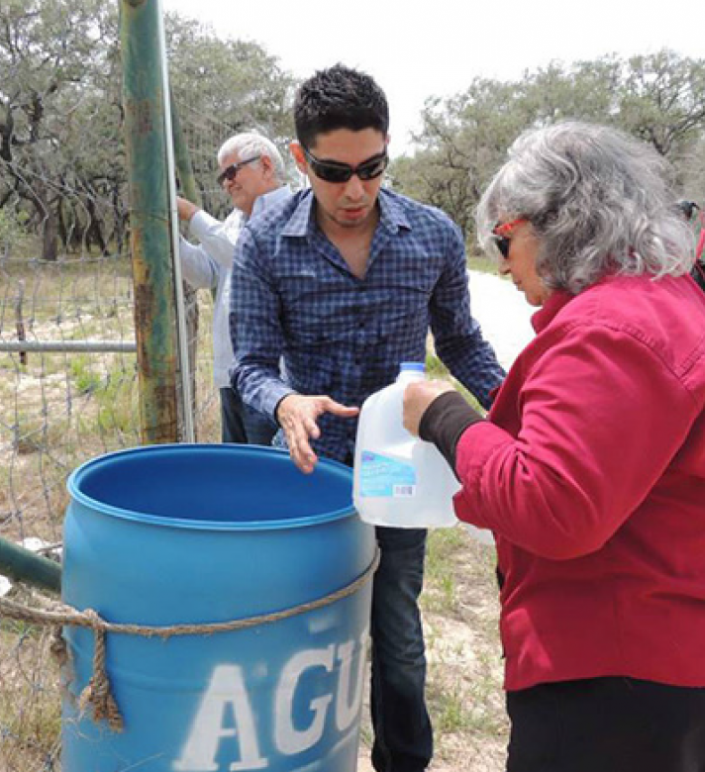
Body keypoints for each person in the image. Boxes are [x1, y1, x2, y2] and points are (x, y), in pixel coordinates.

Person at [401, 121, 705, 772]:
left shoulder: (610, 327)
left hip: (635, 664)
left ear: (555, 222)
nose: (501, 264)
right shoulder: (667, 296)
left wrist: (446, 418)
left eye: (504, 239)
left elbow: (552, 506)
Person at [229, 64, 504, 772]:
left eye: (372, 168)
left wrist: (518, 408)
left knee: (398, 636)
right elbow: (250, 365)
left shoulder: (432, 235)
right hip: (308, 466)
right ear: (300, 158)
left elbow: (462, 342)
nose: (355, 190)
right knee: (297, 630)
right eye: (333, 172)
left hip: (393, 468)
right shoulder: (265, 241)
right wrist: (285, 401)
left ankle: (402, 761)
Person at [176, 132, 291, 444]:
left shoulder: (291, 212)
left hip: (273, 380)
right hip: (232, 373)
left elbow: (245, 255)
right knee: (239, 466)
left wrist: (190, 213)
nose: (226, 183)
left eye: (231, 172)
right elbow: (205, 273)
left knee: (267, 468)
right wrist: (169, 231)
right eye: (222, 176)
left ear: (265, 165)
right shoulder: (236, 219)